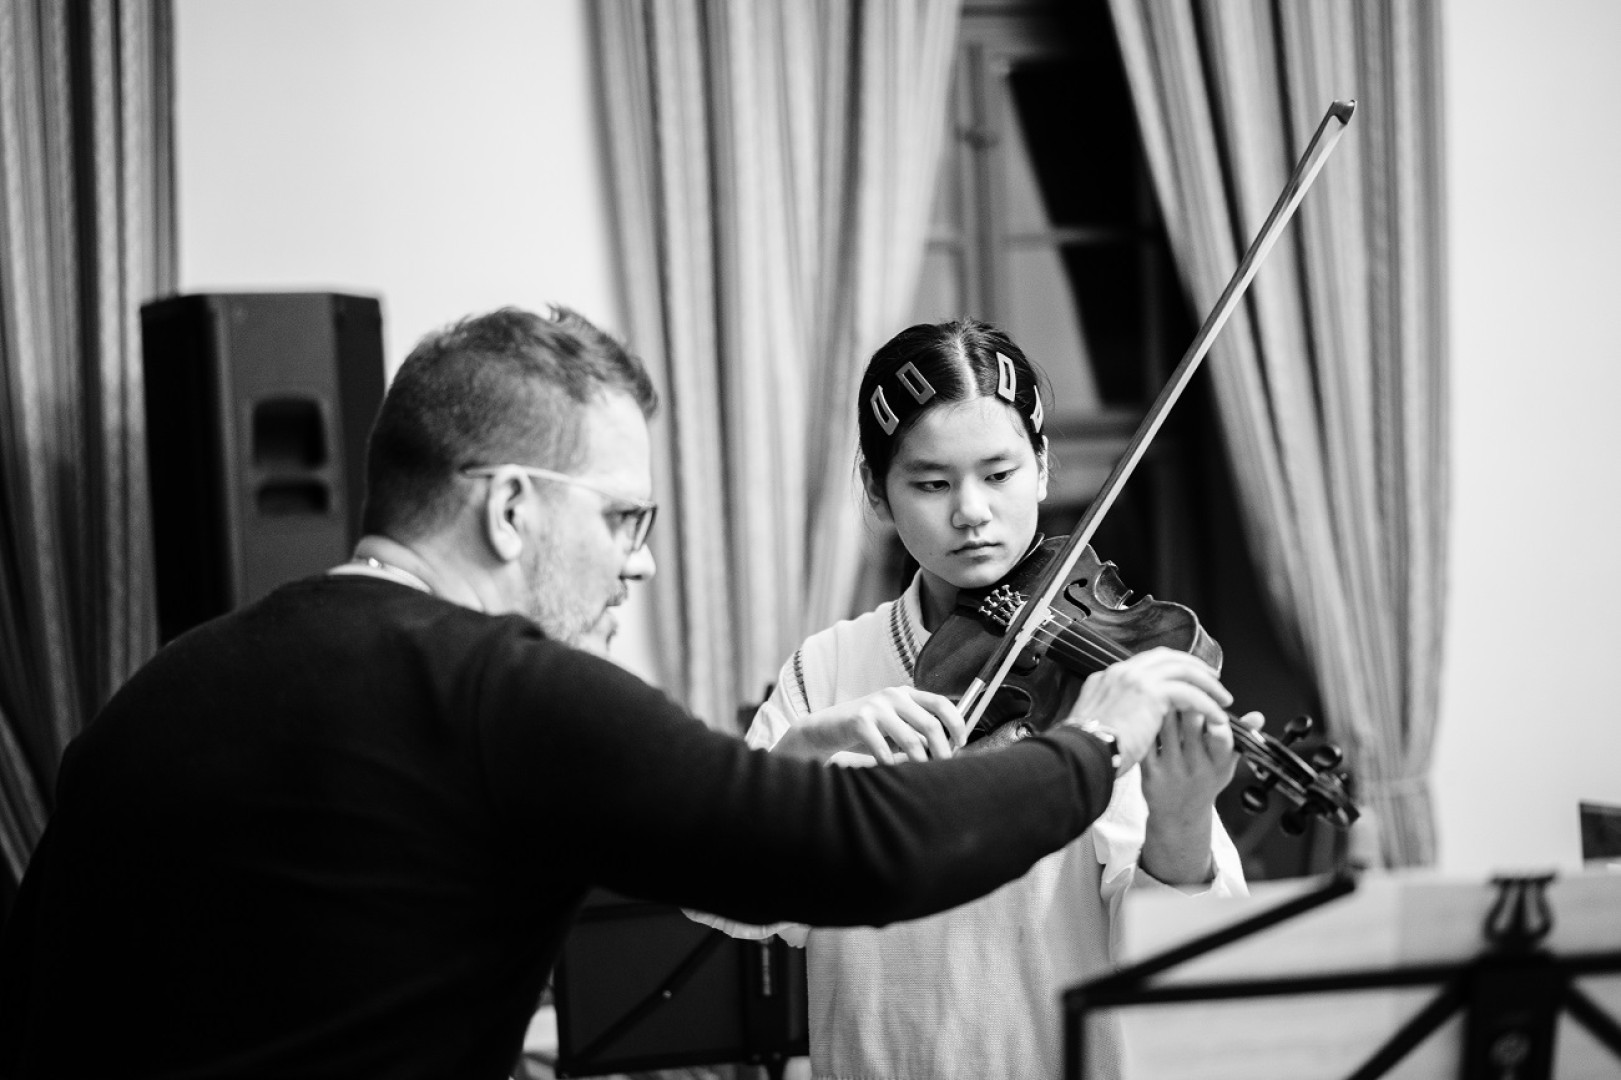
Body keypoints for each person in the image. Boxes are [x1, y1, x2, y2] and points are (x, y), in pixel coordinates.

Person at [0, 307, 1239, 1079]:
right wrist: (1091, 748)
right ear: (510, 507)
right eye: (624, 518)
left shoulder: (160, 692)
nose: (640, 561)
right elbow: (847, 854)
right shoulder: (508, 695)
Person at [697, 318, 1255, 1080]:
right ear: (876, 491)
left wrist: (1181, 819)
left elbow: (1178, 965)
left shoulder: (1107, 679)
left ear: (1043, 467)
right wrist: (808, 749)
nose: (970, 511)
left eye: (999, 474)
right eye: (930, 483)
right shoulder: (827, 668)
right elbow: (726, 900)